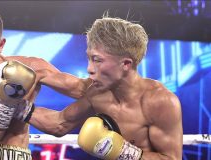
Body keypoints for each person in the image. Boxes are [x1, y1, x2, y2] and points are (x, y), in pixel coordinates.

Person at [0, 3, 91, 160]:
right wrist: (9, 99)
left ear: (1, 45)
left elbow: (86, 91)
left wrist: (114, 77)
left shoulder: (32, 68)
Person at [24, 15, 183, 159]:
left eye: (97, 60)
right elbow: (60, 124)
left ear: (126, 64)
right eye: (89, 59)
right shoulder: (97, 93)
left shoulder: (160, 101)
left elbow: (171, 158)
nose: (89, 68)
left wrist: (122, 152)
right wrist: (14, 106)